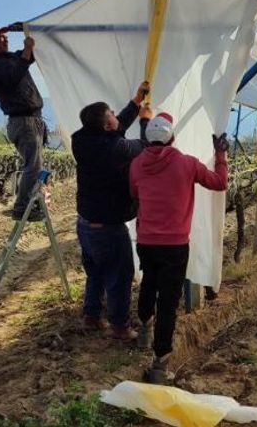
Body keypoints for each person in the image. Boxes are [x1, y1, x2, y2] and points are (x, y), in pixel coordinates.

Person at [129, 113, 228, 383]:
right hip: (174, 244)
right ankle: (160, 364)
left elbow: (135, 193)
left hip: (147, 240)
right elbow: (220, 183)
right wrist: (220, 154)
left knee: (148, 282)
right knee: (169, 302)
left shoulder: (137, 164)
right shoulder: (187, 164)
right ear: (172, 138)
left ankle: (144, 330)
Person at [71, 82, 153, 340]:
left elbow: (115, 130)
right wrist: (145, 121)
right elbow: (147, 145)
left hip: (85, 225)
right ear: (107, 125)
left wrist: (135, 103)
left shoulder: (82, 139)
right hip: (108, 228)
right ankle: (120, 326)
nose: (116, 118)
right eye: (112, 115)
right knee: (119, 276)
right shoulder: (116, 149)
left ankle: (92, 317)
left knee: (95, 271)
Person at [0, 25, 46, 222]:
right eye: (0, 37)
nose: (5, 39)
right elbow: (14, 74)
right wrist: (27, 50)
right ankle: (22, 208)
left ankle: (32, 204)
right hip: (23, 120)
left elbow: (30, 57)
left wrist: (30, 29)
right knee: (32, 167)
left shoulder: (8, 58)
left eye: (5, 36)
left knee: (35, 166)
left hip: (30, 119)